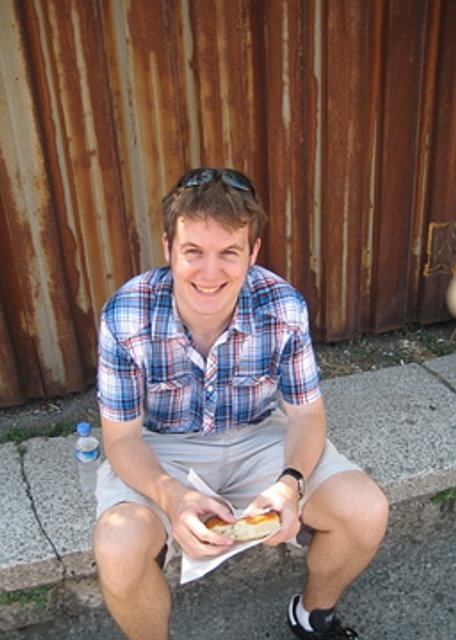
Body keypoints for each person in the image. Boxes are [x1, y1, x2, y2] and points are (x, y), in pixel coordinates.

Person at [93, 167, 389, 640]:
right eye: (193, 251)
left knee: (365, 508)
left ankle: (312, 616)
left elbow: (307, 414)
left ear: (252, 252)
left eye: (229, 253)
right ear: (168, 247)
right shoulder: (127, 312)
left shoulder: (283, 305)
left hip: (259, 435)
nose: (210, 273)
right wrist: (172, 496)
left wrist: (290, 483)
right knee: (117, 542)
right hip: (162, 447)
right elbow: (122, 438)